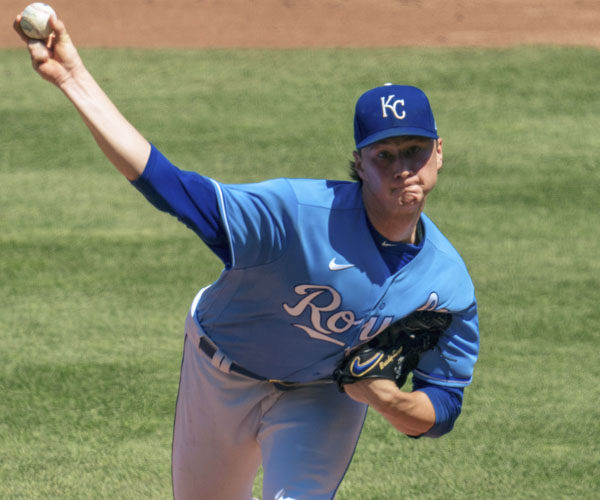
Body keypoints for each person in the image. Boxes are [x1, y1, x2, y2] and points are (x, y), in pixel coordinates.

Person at [14, 14, 479, 500]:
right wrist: (72, 78)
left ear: (438, 152)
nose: (403, 168)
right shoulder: (294, 214)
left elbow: (444, 403)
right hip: (220, 371)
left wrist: (390, 401)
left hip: (320, 393)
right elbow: (172, 188)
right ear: (360, 162)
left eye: (414, 150)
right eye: (384, 155)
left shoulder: (447, 284)